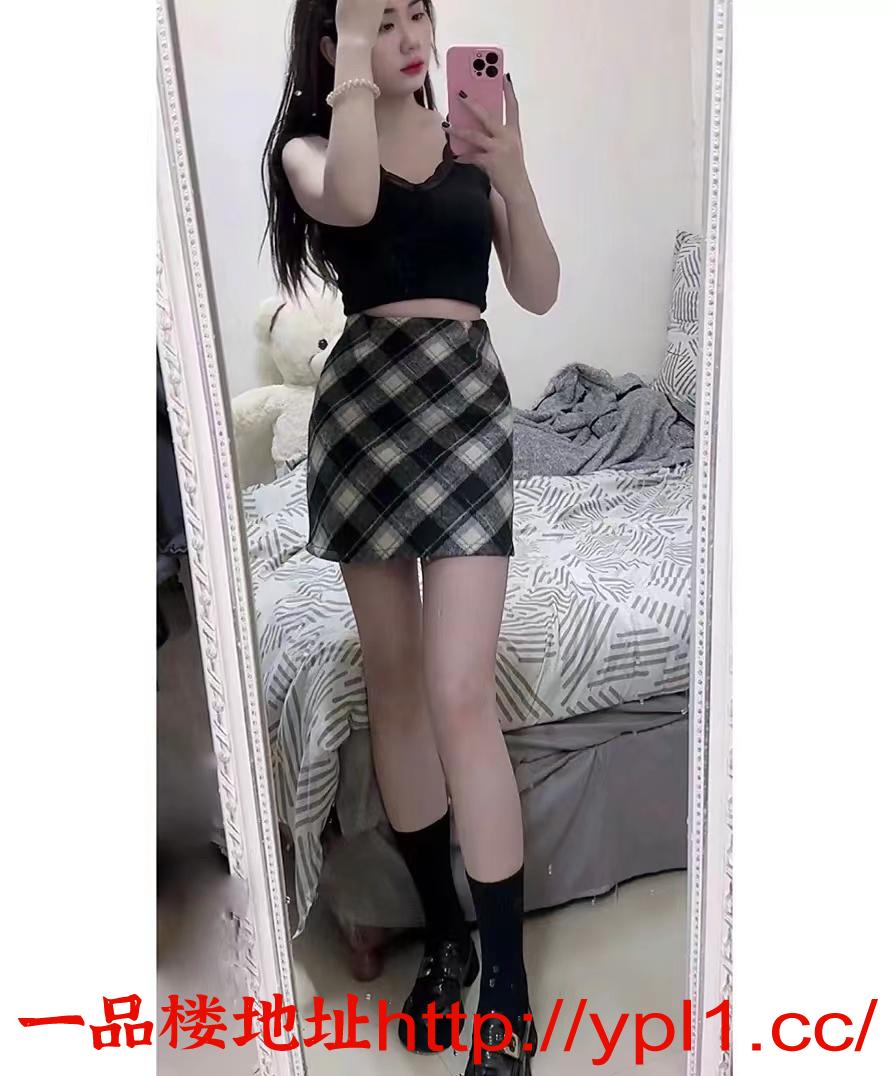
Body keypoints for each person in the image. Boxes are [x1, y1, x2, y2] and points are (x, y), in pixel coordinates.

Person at [262, 1, 559, 1071]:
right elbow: (349, 197)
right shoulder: (309, 148)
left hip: (467, 406)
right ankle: (446, 938)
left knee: (458, 688)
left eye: (415, 12)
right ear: (334, 37)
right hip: (367, 417)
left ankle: (507, 990)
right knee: (395, 687)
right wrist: (351, 63)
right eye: (379, 18)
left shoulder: (471, 133)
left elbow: (537, 289)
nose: (410, 34)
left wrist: (512, 169)